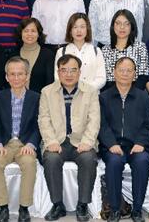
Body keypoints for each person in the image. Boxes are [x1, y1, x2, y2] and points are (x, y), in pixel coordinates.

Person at [38, 54, 101, 222]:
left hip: (81, 141)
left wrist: (87, 142)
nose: (69, 74)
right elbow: (44, 120)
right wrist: (51, 141)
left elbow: (94, 120)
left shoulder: (90, 91)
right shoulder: (47, 92)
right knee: (51, 159)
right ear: (58, 72)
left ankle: (83, 204)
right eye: (64, 70)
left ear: (80, 72)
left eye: (73, 70)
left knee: (88, 159)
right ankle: (58, 205)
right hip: (57, 141)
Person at [99, 57, 149, 222]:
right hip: (112, 146)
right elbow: (101, 125)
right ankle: (115, 209)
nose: (125, 74)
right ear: (114, 72)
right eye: (121, 70)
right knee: (114, 162)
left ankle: (137, 209)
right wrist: (111, 144)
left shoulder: (143, 97)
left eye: (129, 70)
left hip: (136, 146)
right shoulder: (104, 97)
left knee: (142, 162)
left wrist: (141, 143)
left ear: (134, 74)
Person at [0, 57, 42, 222]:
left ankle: (24, 208)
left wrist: (31, 144)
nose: (16, 78)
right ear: (6, 77)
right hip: (5, 144)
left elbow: (38, 126)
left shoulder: (36, 97)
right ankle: (3, 207)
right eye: (12, 74)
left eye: (20, 74)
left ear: (27, 76)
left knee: (29, 162)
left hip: (25, 144)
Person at [54, 13, 107, 91]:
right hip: (68, 95)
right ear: (70, 30)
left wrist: (86, 90)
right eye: (75, 27)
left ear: (87, 29)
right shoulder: (61, 52)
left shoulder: (96, 51)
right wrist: (73, 91)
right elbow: (57, 78)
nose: (79, 31)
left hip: (92, 94)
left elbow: (101, 78)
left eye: (82, 27)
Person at [100, 9, 149, 90]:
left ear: (132, 26)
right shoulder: (105, 50)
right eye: (118, 23)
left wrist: (129, 94)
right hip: (112, 93)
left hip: (136, 92)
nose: (122, 27)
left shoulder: (140, 47)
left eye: (126, 24)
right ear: (113, 26)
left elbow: (143, 75)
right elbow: (106, 79)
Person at [14, 18, 57, 93]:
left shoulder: (48, 55)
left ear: (38, 34)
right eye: (26, 31)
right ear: (21, 33)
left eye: (33, 31)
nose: (29, 34)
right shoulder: (13, 54)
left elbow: (50, 83)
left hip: (41, 98)